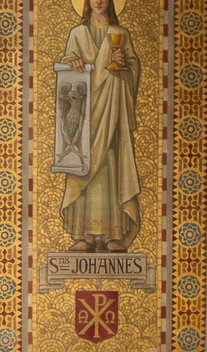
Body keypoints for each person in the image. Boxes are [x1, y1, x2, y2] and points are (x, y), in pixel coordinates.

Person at [58, 0, 141, 253]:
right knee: (82, 164)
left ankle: (111, 234)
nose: (99, 1)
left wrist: (124, 64)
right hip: (84, 114)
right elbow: (66, 70)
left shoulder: (121, 34)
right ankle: (83, 235)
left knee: (109, 165)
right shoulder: (77, 34)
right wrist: (71, 61)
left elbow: (133, 70)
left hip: (113, 110)